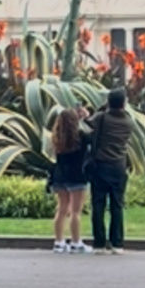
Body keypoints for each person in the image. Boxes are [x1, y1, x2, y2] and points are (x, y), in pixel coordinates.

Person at [88, 84, 133, 253]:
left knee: (98, 205)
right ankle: (117, 243)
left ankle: (99, 243)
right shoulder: (128, 122)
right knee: (117, 205)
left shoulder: (101, 118)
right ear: (123, 103)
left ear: (108, 102)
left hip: (100, 166)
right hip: (119, 166)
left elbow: (88, 129)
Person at [48, 106, 91, 252]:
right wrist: (85, 119)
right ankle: (76, 241)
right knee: (75, 211)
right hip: (76, 175)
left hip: (59, 175)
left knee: (61, 209)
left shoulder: (56, 138)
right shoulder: (80, 138)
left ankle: (59, 242)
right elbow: (92, 134)